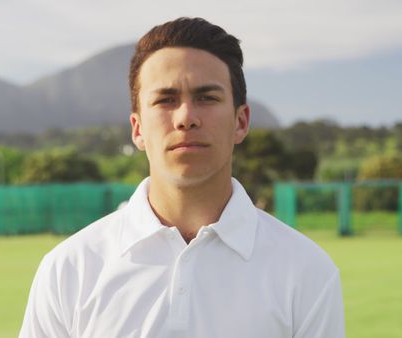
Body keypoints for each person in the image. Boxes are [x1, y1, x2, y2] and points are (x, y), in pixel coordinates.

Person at [20, 17, 345, 337]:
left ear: (241, 121)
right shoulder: (69, 270)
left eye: (207, 98)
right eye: (166, 100)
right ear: (137, 128)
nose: (186, 117)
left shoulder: (306, 271)